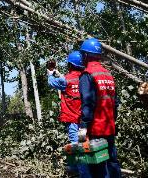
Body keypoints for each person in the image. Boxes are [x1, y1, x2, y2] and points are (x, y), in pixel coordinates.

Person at [79, 38, 121, 178]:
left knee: (99, 168)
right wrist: (112, 121)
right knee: (113, 163)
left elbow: (88, 103)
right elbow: (115, 103)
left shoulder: (87, 75)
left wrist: (83, 127)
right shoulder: (108, 74)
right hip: (109, 127)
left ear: (85, 55)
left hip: (96, 129)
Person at [47, 51, 91, 178]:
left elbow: (52, 83)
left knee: (76, 147)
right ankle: (76, 168)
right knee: (85, 145)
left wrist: (50, 72)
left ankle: (83, 174)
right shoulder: (85, 78)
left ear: (70, 64)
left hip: (72, 121)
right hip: (85, 121)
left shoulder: (65, 79)